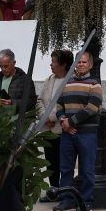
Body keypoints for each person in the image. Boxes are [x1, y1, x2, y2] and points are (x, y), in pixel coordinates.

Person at [54, 50, 102, 211]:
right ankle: (67, 199)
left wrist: (72, 122)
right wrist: (63, 121)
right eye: (78, 62)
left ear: (90, 64)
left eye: (84, 62)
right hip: (68, 133)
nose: (80, 64)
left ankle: (87, 200)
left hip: (86, 134)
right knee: (65, 168)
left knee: (87, 169)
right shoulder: (66, 83)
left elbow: (92, 108)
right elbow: (59, 105)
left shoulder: (95, 85)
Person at [36, 49, 73, 201]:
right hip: (48, 129)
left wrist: (53, 118)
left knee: (62, 163)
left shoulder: (70, 81)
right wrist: (44, 117)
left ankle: (63, 191)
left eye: (54, 62)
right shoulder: (49, 79)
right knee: (50, 163)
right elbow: (39, 100)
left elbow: (67, 105)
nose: (51, 65)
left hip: (61, 129)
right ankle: (53, 191)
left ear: (63, 65)